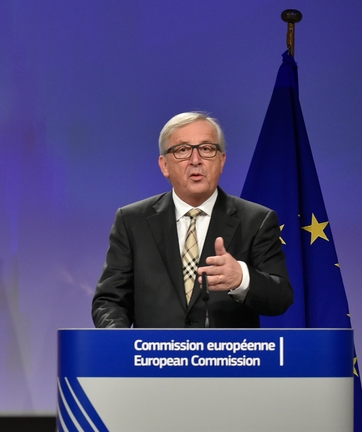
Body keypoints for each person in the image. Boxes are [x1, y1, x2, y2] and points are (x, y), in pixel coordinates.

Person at [91, 111, 293, 328]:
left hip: (227, 359)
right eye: (182, 150)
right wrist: (125, 347)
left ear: (222, 160)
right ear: (164, 165)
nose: (195, 160)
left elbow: (280, 297)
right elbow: (109, 301)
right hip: (154, 359)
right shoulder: (132, 221)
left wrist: (242, 278)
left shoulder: (257, 220)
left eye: (206, 149)